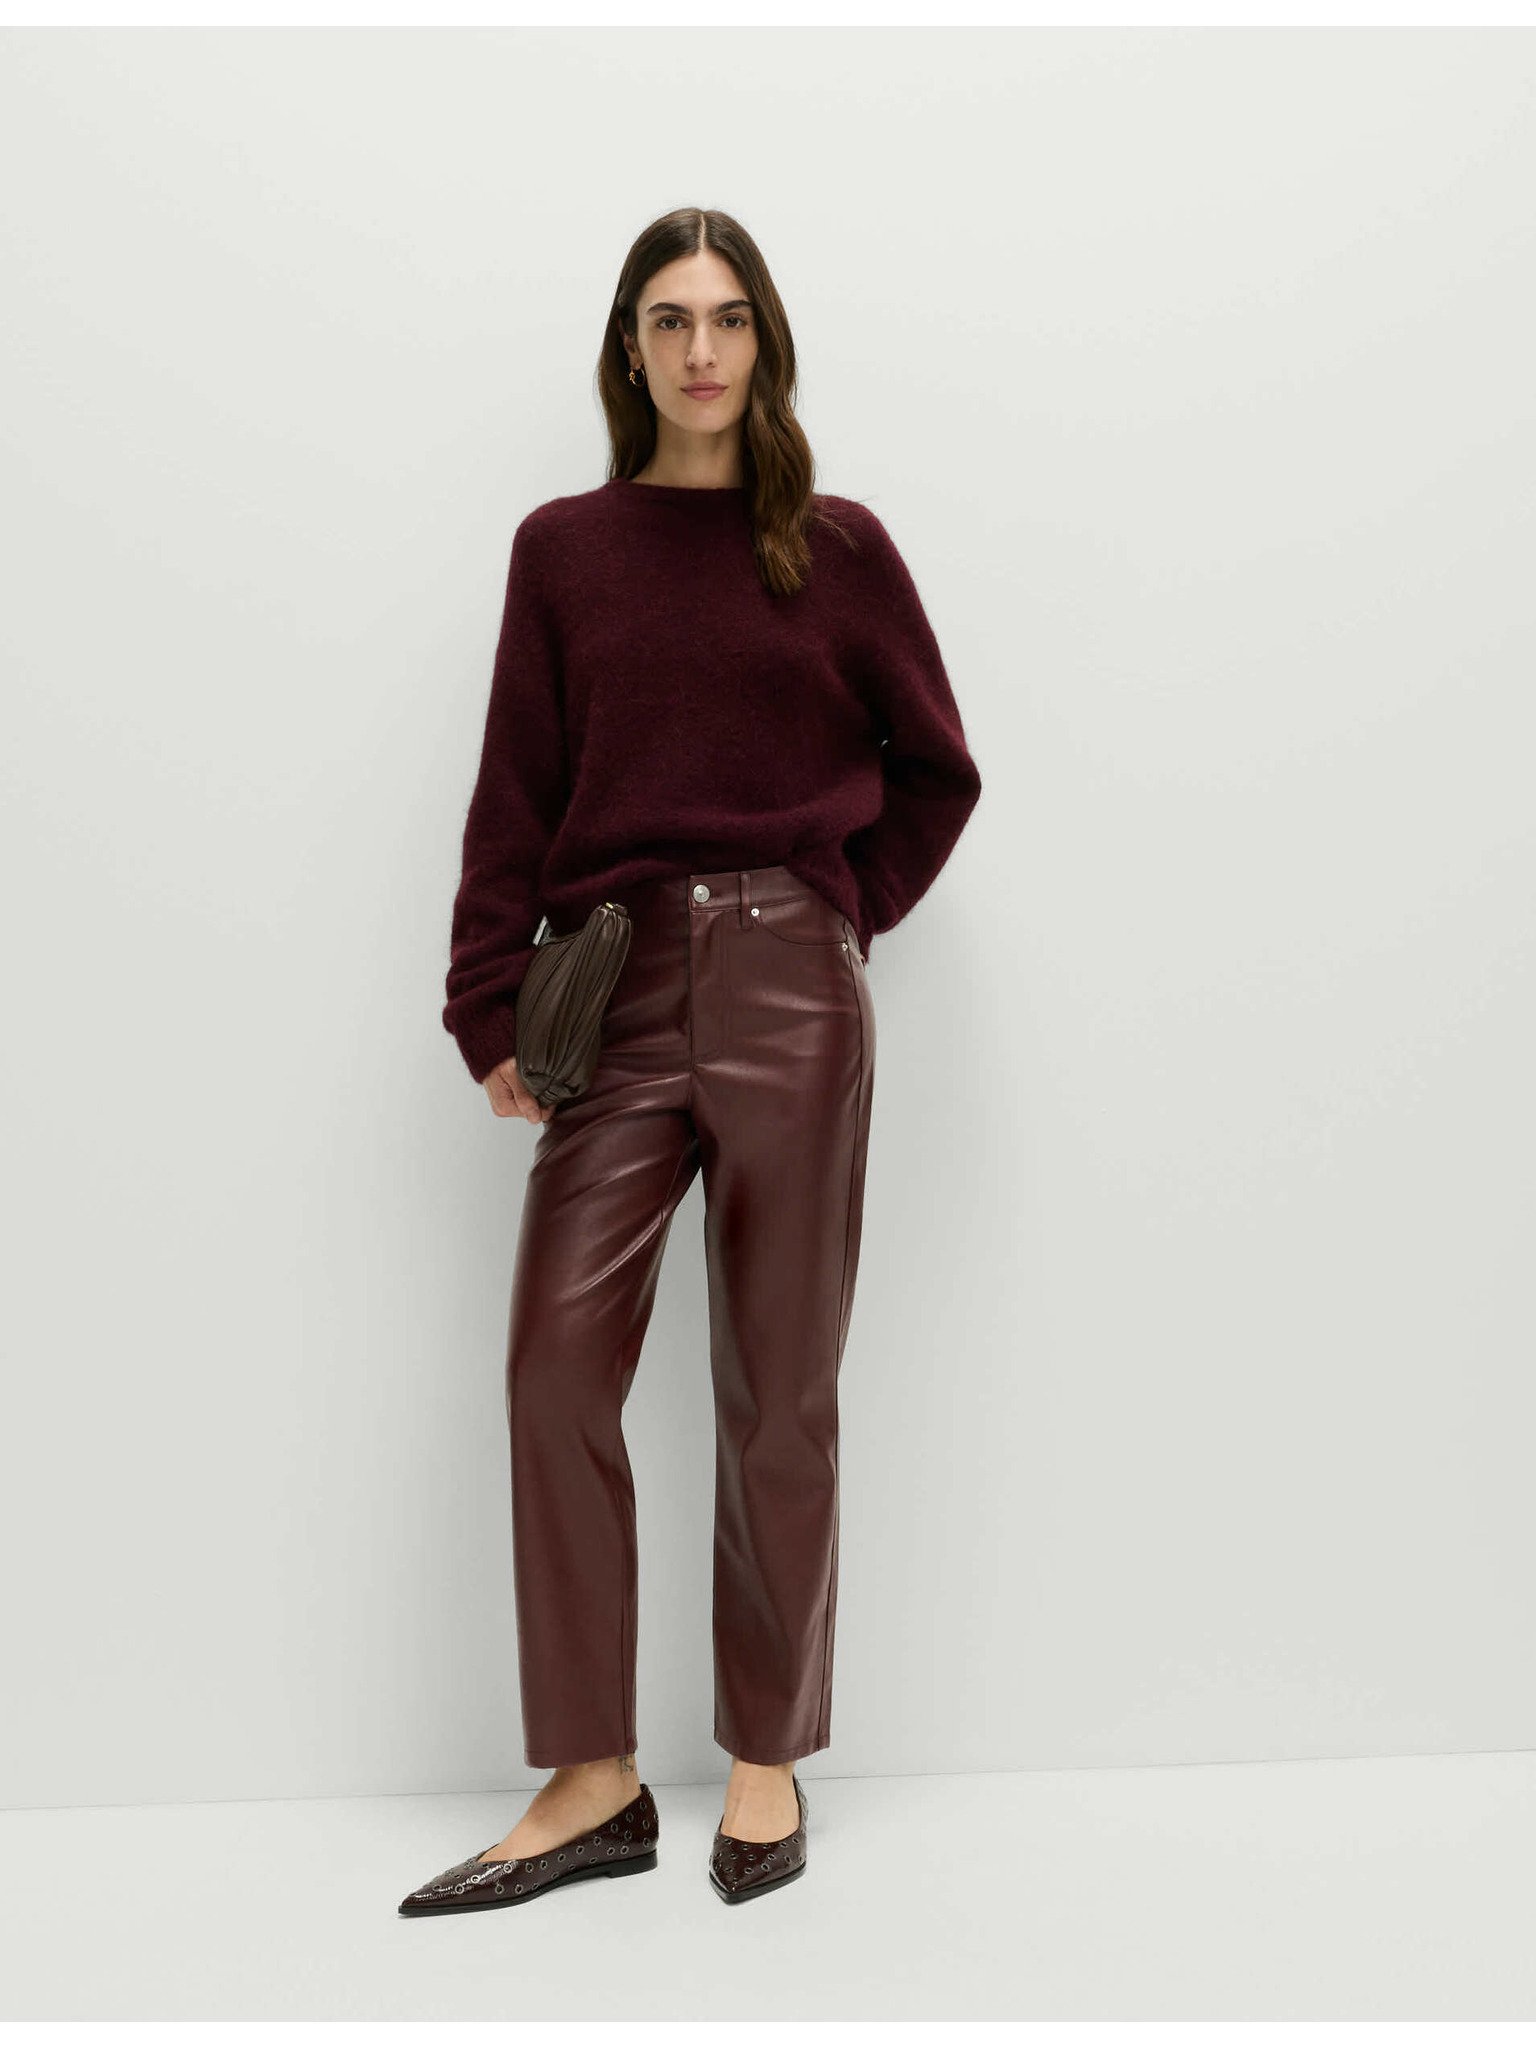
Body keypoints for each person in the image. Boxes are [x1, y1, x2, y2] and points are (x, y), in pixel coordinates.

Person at [400, 207, 982, 1917]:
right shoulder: (565, 551)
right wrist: (487, 1005)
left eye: (729, 318)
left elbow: (936, 769)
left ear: (765, 343)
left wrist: (837, 913)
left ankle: (765, 1758)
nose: (702, 348)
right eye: (670, 319)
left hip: (796, 986)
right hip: (620, 985)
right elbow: (516, 788)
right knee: (554, 1366)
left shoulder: (838, 547)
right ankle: (592, 1782)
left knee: (778, 1386)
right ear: (631, 349)